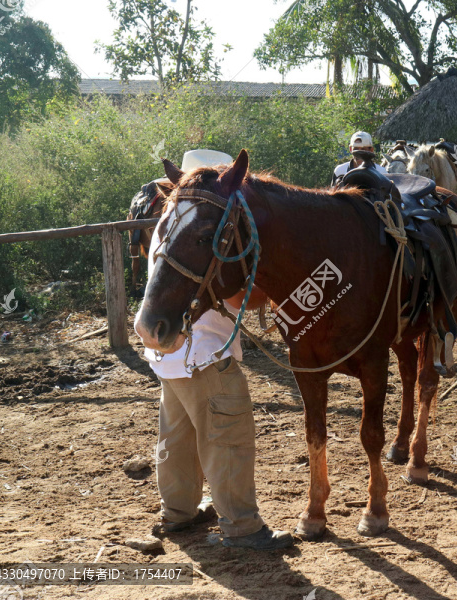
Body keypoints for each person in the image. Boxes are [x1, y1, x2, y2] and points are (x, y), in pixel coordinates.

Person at [144, 151, 294, 551]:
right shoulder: (210, 225)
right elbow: (241, 293)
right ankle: (242, 527)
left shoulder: (170, 220)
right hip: (205, 352)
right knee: (228, 438)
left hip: (168, 356)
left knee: (177, 438)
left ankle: (178, 513)